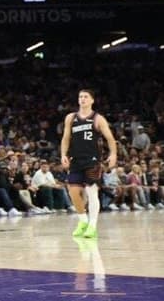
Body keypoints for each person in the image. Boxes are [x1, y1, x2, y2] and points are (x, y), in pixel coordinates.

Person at [61, 89, 117, 239]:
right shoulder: (71, 118)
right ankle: (83, 221)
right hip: (75, 159)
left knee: (92, 192)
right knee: (73, 191)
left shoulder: (98, 118)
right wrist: (63, 155)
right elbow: (66, 138)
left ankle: (92, 226)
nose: (82, 99)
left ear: (92, 100)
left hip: (92, 160)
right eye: (80, 97)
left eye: (86, 97)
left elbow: (110, 139)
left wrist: (113, 154)